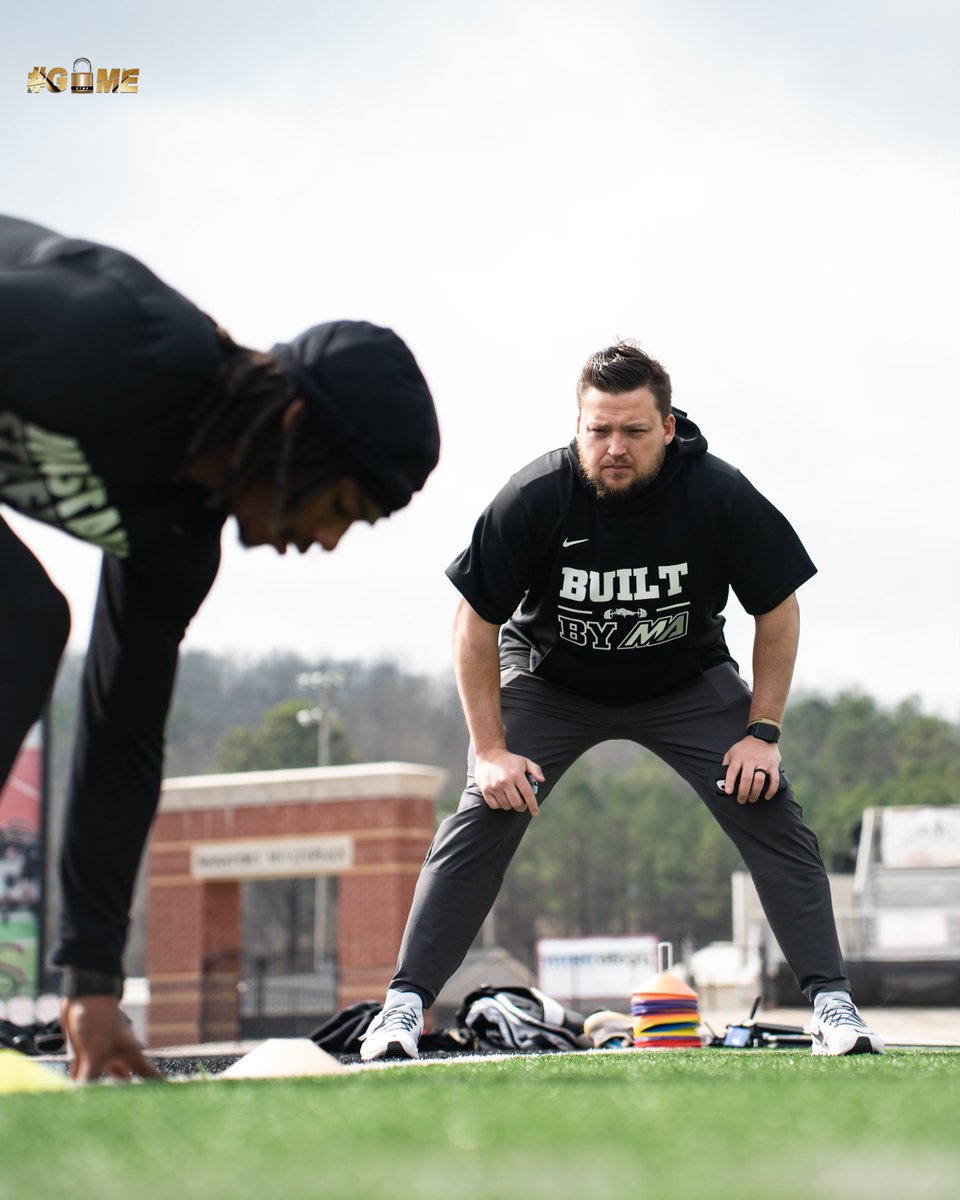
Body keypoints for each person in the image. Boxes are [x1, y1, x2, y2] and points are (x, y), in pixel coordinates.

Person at [0, 213, 440, 1081]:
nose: (325, 542)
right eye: (342, 508)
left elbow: (120, 733)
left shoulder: (174, 537)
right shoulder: (120, 344)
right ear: (296, 436)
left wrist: (90, 984)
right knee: (21, 619)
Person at [361, 340, 883, 1061]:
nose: (614, 448)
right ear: (577, 425)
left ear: (667, 428)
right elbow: (472, 620)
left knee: (765, 799)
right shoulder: (534, 496)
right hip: (553, 681)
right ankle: (400, 1010)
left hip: (684, 682)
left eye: (633, 432)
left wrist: (762, 732)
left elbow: (780, 608)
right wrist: (488, 752)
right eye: (598, 430)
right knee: (487, 809)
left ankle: (833, 1005)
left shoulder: (718, 494)